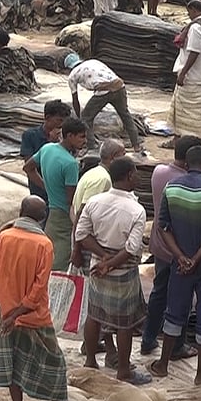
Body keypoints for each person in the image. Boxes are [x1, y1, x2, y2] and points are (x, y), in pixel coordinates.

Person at [0, 196, 95, 401]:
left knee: (12, 364)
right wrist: (19, 310)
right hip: (34, 317)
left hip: (7, 316)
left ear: (20, 211)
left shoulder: (3, 237)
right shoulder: (43, 244)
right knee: (55, 363)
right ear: (42, 217)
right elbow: (38, 288)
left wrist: (6, 302)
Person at [147, 145, 201, 386]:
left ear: (185, 163)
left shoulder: (172, 187)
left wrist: (181, 257)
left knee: (174, 312)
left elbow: (163, 226)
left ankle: (162, 364)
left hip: (179, 266)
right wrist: (197, 258)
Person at [75, 157, 150, 385]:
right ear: (129, 176)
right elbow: (131, 248)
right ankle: (124, 371)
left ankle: (90, 360)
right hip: (120, 271)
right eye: (136, 172)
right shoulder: (136, 210)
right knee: (124, 322)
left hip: (98, 266)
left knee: (94, 314)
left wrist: (103, 257)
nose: (137, 176)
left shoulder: (95, 202)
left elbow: (81, 234)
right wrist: (112, 262)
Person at [139, 135, 201, 357]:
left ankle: (148, 339)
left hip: (160, 245)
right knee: (182, 297)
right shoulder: (186, 182)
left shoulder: (159, 172)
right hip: (180, 248)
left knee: (159, 292)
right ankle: (176, 345)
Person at [24, 118, 87, 270]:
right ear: (69, 135)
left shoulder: (47, 149)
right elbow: (70, 200)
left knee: (46, 254)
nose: (84, 141)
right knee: (61, 262)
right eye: (81, 137)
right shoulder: (70, 164)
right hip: (64, 218)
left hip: (52, 212)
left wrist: (47, 187)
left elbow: (28, 168)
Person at [66, 55, 141, 153]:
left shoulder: (72, 75)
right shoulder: (93, 61)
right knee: (125, 115)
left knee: (86, 117)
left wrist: (79, 117)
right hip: (119, 86)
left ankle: (91, 146)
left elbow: (75, 99)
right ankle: (136, 145)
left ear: (68, 68)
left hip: (103, 90)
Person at [168, 0, 201, 146]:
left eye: (189, 11)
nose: (188, 14)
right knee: (191, 111)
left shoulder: (195, 28)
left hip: (192, 76)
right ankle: (182, 139)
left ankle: (184, 140)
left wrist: (183, 73)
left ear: (194, 10)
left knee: (186, 111)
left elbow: (194, 52)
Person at [19, 100, 70, 202]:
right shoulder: (30, 136)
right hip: (40, 189)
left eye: (65, 121)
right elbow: (30, 166)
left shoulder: (66, 137)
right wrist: (50, 144)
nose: (62, 124)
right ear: (47, 118)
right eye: (59, 120)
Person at [72, 140, 124, 221]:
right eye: (123, 155)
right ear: (114, 157)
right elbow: (84, 210)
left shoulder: (94, 172)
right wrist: (77, 231)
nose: (125, 158)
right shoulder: (102, 179)